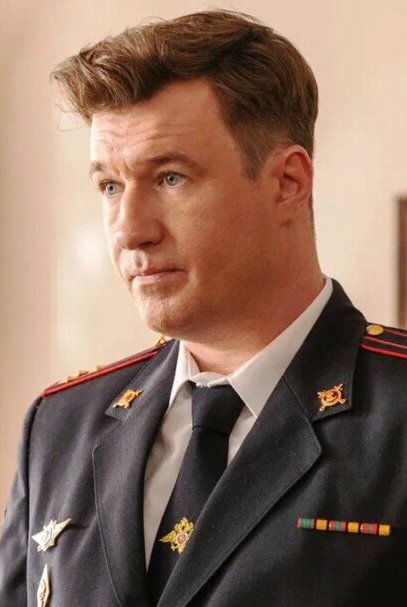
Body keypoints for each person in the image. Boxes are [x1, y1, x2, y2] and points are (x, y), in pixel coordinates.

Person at [1, 8, 406, 606]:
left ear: (288, 183)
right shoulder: (60, 426)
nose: (129, 230)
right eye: (110, 186)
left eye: (170, 178)